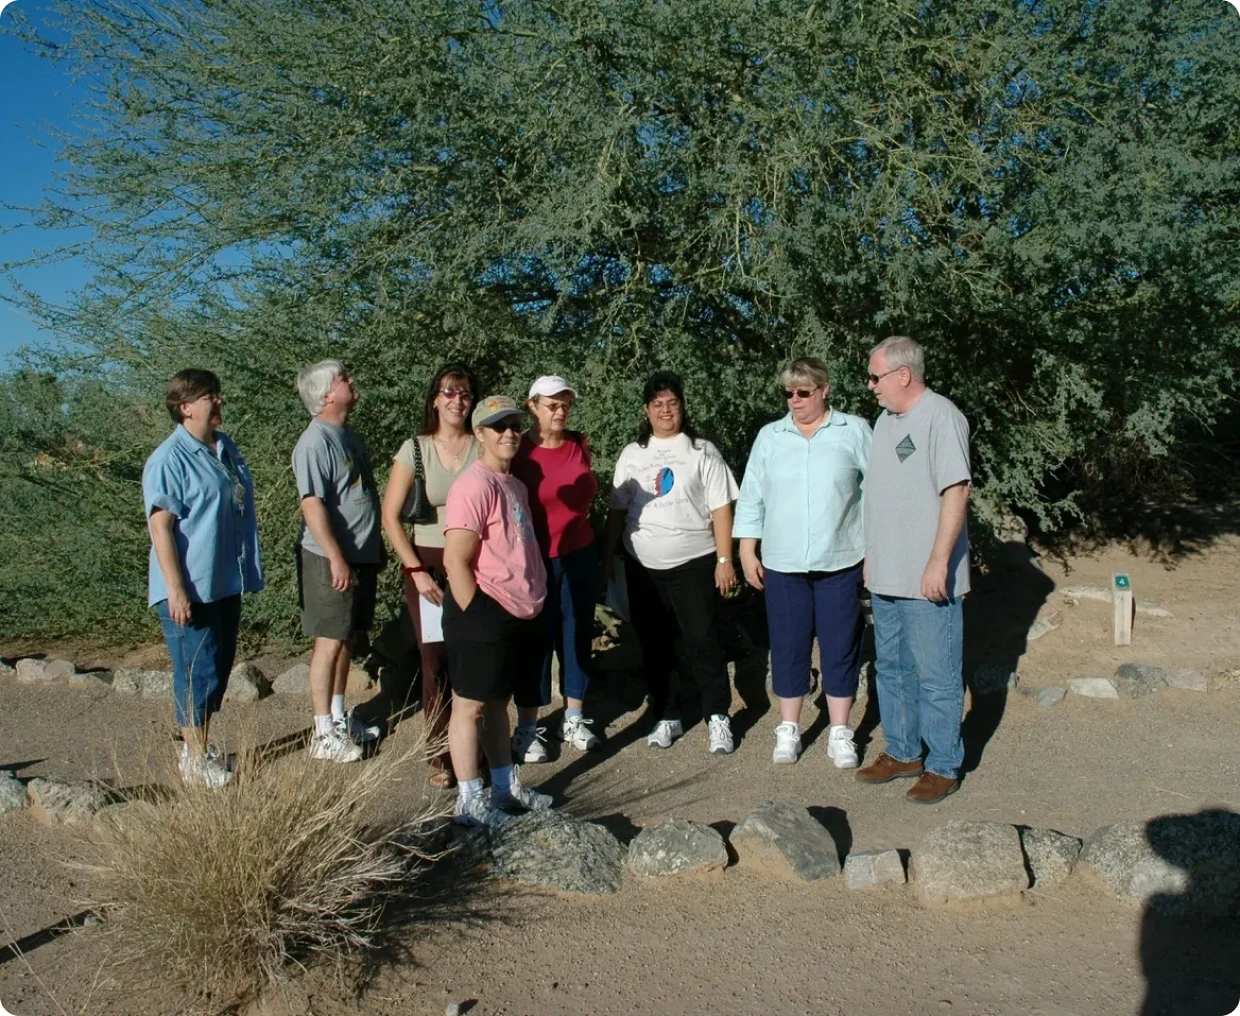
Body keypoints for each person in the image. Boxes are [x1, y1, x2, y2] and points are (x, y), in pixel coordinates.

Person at [734, 357, 872, 767]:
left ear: (824, 390)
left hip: (842, 560)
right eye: (788, 393)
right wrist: (746, 548)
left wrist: (875, 552)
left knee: (840, 646)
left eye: (803, 392)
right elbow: (752, 495)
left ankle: (840, 731)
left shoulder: (854, 431)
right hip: (783, 564)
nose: (794, 400)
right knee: (788, 646)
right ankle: (789, 728)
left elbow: (877, 492)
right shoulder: (770, 437)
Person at [856, 336, 971, 804]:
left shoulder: (942, 416)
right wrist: (872, 557)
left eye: (875, 377)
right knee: (892, 669)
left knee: (936, 673)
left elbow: (957, 491)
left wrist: (939, 562)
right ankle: (904, 751)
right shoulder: (884, 422)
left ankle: (944, 763)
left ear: (903, 375)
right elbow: (880, 496)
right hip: (886, 575)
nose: (871, 386)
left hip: (927, 579)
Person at [603, 371, 740, 755]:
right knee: (656, 643)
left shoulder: (701, 451)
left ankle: (717, 716)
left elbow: (721, 508)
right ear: (646, 410)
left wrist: (725, 558)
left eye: (672, 402)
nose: (666, 410)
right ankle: (667, 714)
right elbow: (616, 511)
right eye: (657, 404)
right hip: (642, 566)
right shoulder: (633, 454)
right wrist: (607, 557)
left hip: (694, 561)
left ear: (682, 406)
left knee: (702, 640)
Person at [143, 369, 264, 788]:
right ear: (185, 406)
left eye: (217, 394)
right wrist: (175, 588)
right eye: (210, 396)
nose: (219, 402)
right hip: (189, 584)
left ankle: (198, 744)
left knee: (217, 667)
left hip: (225, 579)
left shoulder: (224, 448)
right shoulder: (169, 459)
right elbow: (161, 527)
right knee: (194, 670)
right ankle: (195, 759)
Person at [442, 395, 553, 826]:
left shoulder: (514, 484)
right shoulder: (474, 484)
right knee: (469, 705)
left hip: (515, 609)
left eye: (514, 425)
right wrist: (476, 613)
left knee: (496, 704)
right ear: (479, 434)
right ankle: (469, 801)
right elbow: (456, 559)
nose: (509, 433)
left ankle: (504, 788)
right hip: (482, 610)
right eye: (498, 426)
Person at [380, 364, 481, 788]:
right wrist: (416, 570)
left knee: (473, 655)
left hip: (476, 561)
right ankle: (440, 753)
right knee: (434, 658)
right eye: (449, 393)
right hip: (429, 564)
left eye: (464, 394)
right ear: (435, 399)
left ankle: (476, 746)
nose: (457, 401)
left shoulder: (483, 446)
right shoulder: (414, 450)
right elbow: (389, 516)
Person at [292, 360, 384, 764]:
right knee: (328, 642)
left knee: (346, 639)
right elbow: (312, 505)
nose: (352, 381)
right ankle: (321, 732)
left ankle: (338, 715)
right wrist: (335, 557)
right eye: (344, 378)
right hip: (330, 558)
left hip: (359, 556)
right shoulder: (313, 443)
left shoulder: (349, 438)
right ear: (327, 394)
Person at [510, 375, 601, 761]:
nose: (560, 411)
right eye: (552, 405)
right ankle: (528, 727)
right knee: (535, 640)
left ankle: (575, 716)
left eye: (565, 403)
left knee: (577, 633)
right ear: (532, 406)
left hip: (578, 551)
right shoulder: (518, 451)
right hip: (535, 558)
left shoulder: (578, 444)